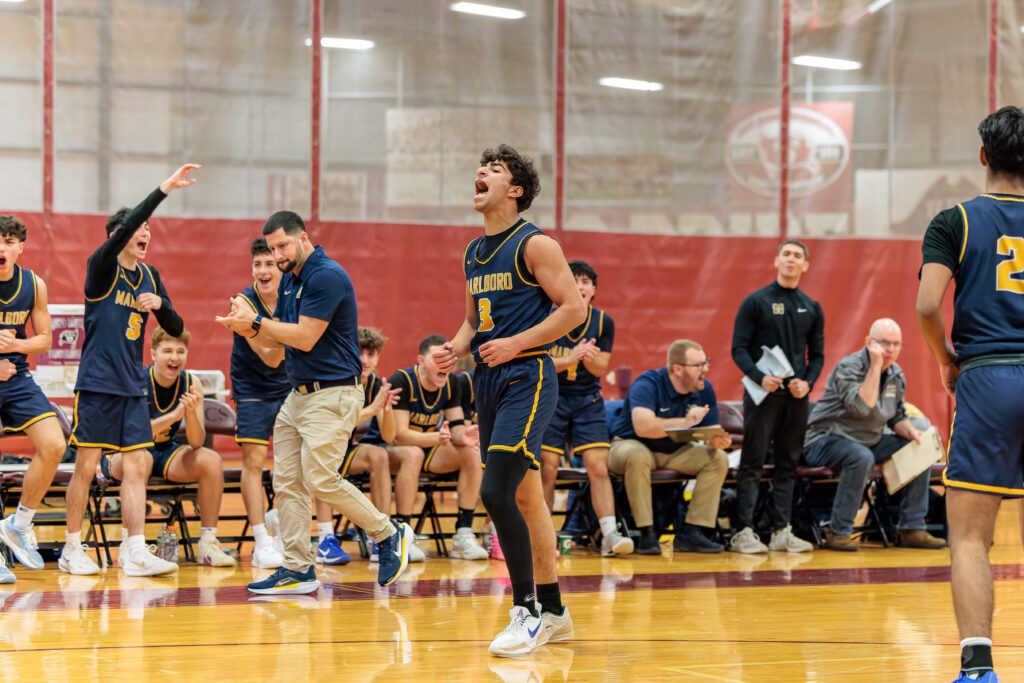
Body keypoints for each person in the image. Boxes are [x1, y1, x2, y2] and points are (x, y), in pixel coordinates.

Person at [433, 144, 586, 656]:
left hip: (529, 374)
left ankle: (526, 611)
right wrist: (454, 348)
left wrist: (520, 342)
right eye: (480, 168)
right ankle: (556, 610)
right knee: (524, 497)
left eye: (494, 170)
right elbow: (477, 317)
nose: (480, 173)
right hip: (488, 381)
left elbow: (573, 311)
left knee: (496, 492)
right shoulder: (473, 252)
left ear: (515, 190)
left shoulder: (536, 244)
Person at [216, 210, 411, 593]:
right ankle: (297, 568)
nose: (278, 255)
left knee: (321, 478)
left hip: (334, 392)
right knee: (287, 481)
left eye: (282, 246)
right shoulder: (291, 281)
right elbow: (276, 348)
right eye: (271, 249)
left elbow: (304, 337)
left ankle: (389, 534)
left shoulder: (326, 275)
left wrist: (255, 322)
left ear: (303, 238)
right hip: (299, 395)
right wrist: (244, 326)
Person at [915, 105, 1024, 683]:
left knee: (970, 537)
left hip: (990, 375)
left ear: (983, 156)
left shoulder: (954, 220)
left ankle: (979, 667)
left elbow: (928, 305)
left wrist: (946, 362)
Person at [62, 164, 200, 577]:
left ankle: (134, 549)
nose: (145, 236)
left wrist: (162, 306)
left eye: (149, 232)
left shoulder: (149, 276)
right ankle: (72, 547)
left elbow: (176, 329)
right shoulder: (101, 268)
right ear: (118, 236)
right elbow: (125, 230)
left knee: (139, 462)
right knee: (86, 465)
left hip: (130, 385)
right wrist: (163, 190)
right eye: (138, 229)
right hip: (98, 383)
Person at [802, 319, 946, 552]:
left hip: (867, 439)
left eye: (896, 344)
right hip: (824, 439)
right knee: (860, 457)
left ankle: (911, 528)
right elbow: (863, 406)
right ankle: (838, 532)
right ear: (869, 343)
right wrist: (875, 368)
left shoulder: (896, 374)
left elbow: (896, 418)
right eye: (884, 343)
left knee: (921, 449)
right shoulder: (849, 367)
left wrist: (913, 433)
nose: (890, 350)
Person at [102, 327, 238, 566]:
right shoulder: (136, 379)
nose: (174, 357)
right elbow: (133, 436)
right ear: (153, 355)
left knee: (210, 460)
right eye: (167, 351)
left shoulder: (191, 382)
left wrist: (192, 415)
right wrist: (175, 416)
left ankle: (208, 543)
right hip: (124, 452)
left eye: (180, 351)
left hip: (164, 451)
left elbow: (196, 442)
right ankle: (130, 545)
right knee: (141, 458)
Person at [729, 240, 823, 555]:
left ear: (805, 265)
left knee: (788, 463)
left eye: (798, 256)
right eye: (786, 254)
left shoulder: (811, 307)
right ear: (776, 261)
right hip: (763, 395)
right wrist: (760, 377)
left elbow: (818, 356)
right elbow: (738, 349)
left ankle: (782, 530)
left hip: (795, 397)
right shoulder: (756, 302)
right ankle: (743, 531)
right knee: (752, 461)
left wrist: (807, 383)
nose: (791, 259)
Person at [540, 259, 632, 556]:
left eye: (586, 282)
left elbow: (600, 368)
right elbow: (538, 364)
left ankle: (609, 534)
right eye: (574, 279)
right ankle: (542, 536)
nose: (579, 286)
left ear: (593, 290)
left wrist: (586, 358)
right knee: (547, 469)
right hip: (550, 398)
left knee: (598, 467)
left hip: (587, 400)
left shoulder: (603, 322)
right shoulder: (545, 315)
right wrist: (573, 356)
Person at [608, 339, 730, 555]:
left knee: (717, 458)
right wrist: (686, 422)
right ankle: (646, 533)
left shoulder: (704, 388)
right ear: (677, 368)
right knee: (636, 456)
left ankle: (692, 532)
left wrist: (717, 441)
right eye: (699, 365)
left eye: (706, 362)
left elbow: (712, 430)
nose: (706, 369)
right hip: (631, 445)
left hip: (675, 450)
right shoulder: (648, 383)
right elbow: (643, 427)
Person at [0, 216, 68, 582]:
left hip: (17, 378)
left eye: (9, 241)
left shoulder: (33, 284)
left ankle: (18, 523)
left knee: (55, 444)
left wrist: (15, 347)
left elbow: (44, 338)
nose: (1, 248)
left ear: (20, 248)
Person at [388, 334, 488, 561]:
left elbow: (456, 428)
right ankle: (405, 535)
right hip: (391, 449)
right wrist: (436, 437)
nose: (444, 365)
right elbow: (400, 435)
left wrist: (465, 435)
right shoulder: (402, 380)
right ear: (421, 361)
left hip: (428, 448)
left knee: (472, 453)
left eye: (448, 360)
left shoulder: (451, 382)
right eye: (437, 359)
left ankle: (463, 533)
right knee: (412, 454)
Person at [314, 326, 399, 565]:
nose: (364, 360)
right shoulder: (336, 376)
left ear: (378, 357)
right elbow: (335, 424)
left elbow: (389, 435)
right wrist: (372, 409)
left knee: (380, 455)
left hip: (345, 446)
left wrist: (386, 408)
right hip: (320, 443)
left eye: (371, 355)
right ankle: (325, 539)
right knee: (324, 463)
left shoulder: (373, 383)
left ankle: (382, 536)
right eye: (360, 352)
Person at [231, 237, 288, 569]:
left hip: (288, 385)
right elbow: (270, 355)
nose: (263, 270)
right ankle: (261, 540)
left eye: (269, 263)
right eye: (257, 264)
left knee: (291, 462)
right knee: (253, 462)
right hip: (253, 387)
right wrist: (281, 334)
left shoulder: (293, 297)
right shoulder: (242, 303)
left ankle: (280, 522)